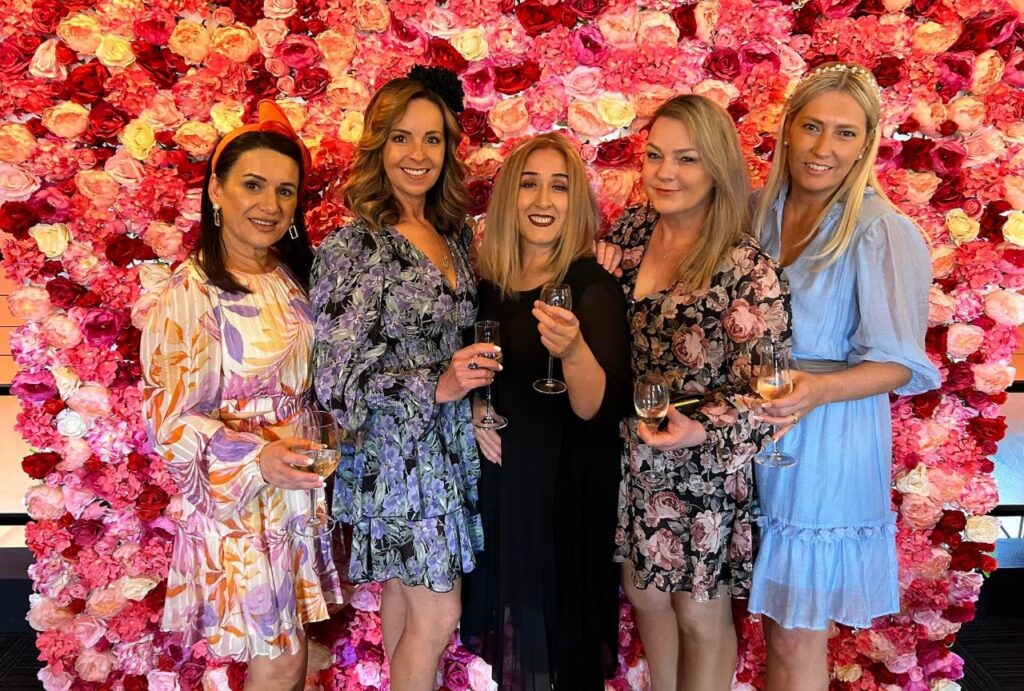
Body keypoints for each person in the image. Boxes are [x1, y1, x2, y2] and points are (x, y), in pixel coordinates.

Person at [745, 63, 941, 690]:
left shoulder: (882, 230)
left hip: (827, 440)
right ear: (788, 129)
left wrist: (819, 389)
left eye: (845, 132)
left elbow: (900, 362)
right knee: (760, 619)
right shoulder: (756, 212)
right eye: (812, 126)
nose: (823, 147)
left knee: (795, 631)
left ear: (867, 143)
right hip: (752, 429)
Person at [141, 100, 342, 691]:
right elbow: (169, 418)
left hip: (295, 490)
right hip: (243, 499)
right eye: (253, 185)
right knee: (279, 660)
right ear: (216, 191)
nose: (270, 205)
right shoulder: (193, 290)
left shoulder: (288, 273)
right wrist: (256, 459)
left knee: (290, 655)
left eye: (285, 191)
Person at [310, 69, 496, 691]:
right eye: (401, 138)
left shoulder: (455, 234)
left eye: (432, 139)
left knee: (408, 596)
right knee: (439, 612)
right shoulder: (353, 247)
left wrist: (468, 401)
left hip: (449, 448)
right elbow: (334, 381)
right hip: (397, 456)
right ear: (377, 145)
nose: (418, 154)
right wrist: (435, 385)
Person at [605, 94, 790, 691]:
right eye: (655, 155)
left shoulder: (745, 267)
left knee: (698, 612)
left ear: (716, 167)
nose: (665, 172)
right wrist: (593, 261)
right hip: (635, 453)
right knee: (644, 596)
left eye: (686, 159)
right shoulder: (632, 231)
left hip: (702, 466)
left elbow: (772, 393)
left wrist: (703, 428)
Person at [459, 133, 631, 690]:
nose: (542, 200)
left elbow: (597, 409)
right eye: (529, 184)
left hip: (564, 493)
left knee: (561, 651)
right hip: (508, 489)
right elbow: (480, 375)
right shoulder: (490, 286)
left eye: (559, 187)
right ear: (509, 197)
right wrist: (478, 407)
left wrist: (574, 350)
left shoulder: (591, 284)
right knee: (521, 647)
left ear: (575, 202)